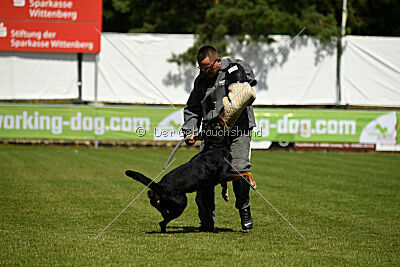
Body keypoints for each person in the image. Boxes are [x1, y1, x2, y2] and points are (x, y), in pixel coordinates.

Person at [181, 45, 257, 232]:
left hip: (238, 130)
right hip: (212, 135)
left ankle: (244, 208)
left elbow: (250, 78)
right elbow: (192, 108)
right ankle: (206, 223)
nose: (205, 72)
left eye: (208, 67)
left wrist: (234, 68)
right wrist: (189, 130)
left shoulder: (234, 67)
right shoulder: (201, 82)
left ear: (218, 60)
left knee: (239, 170)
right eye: (201, 68)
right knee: (202, 176)